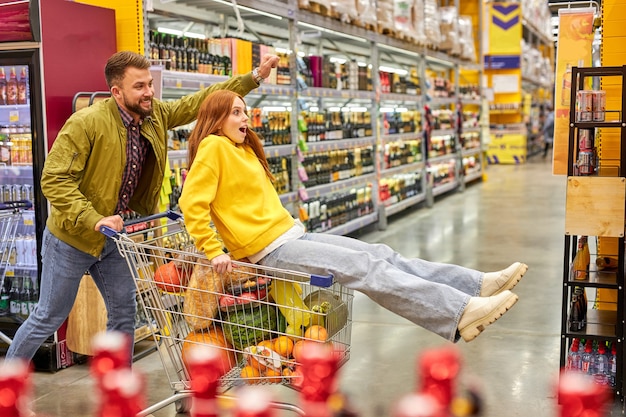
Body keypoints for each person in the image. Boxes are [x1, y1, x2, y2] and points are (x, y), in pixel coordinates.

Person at [178, 90, 528, 343]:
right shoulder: (213, 147)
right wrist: (213, 250)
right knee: (366, 268)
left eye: (245, 111)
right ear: (216, 117)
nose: (245, 118)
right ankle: (459, 311)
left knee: (379, 254)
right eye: (236, 112)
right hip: (270, 249)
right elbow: (192, 203)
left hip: (290, 234)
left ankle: (475, 285)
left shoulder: (239, 148)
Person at [5, 51, 279, 363]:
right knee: (49, 316)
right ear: (116, 92)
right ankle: (7, 386)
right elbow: (53, 180)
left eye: (149, 84)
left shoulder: (153, 114)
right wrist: (94, 218)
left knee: (124, 314)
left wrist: (253, 77)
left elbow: (199, 102)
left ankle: (120, 389)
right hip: (72, 238)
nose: (149, 92)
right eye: (139, 87)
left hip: (114, 240)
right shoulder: (86, 124)